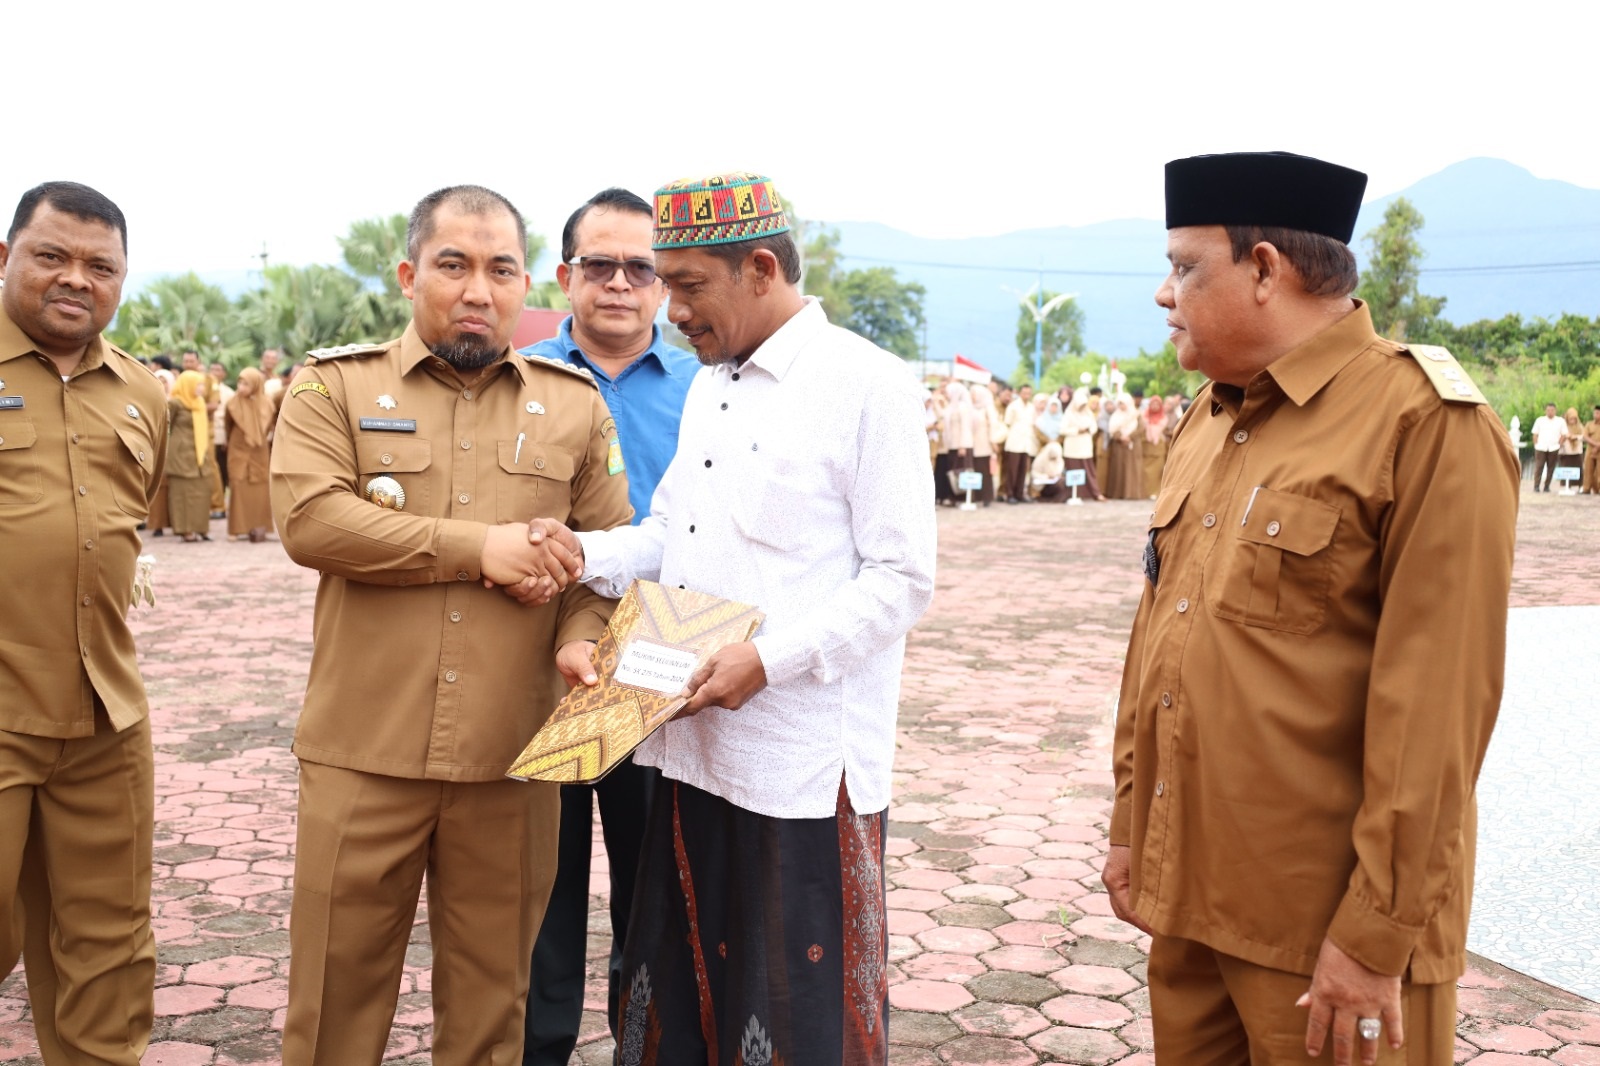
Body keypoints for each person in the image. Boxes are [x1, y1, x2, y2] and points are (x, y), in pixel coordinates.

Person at [1102, 151, 1520, 1066]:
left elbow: (1436, 718)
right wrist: (1133, 826)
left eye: (1184, 267)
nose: (1165, 295)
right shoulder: (1208, 419)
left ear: (1264, 270)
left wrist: (1374, 940)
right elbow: (1157, 643)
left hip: (1326, 935)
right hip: (1194, 898)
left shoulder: (1424, 425)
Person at [525, 171, 936, 1063]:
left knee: (794, 1006)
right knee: (682, 1001)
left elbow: (903, 579)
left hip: (798, 765)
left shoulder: (870, 386)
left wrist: (770, 661)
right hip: (691, 746)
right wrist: (580, 552)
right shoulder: (715, 384)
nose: (669, 311)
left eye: (686, 287)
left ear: (759, 268)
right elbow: (675, 529)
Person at [269, 184, 634, 1066]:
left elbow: (609, 558)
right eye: (454, 265)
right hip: (364, 750)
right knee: (332, 1006)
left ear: (527, 282)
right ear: (408, 274)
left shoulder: (575, 404)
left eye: (500, 269)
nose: (479, 289)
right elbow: (312, 521)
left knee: (490, 1015)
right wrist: (481, 549)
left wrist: (581, 636)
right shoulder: (333, 386)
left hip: (514, 760)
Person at [516, 187, 695, 1066]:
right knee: (538, 894)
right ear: (565, 276)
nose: (619, 283)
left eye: (640, 268)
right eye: (600, 265)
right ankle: (539, 1051)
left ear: (662, 285)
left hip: (660, 664)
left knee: (652, 893)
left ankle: (642, 1047)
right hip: (539, 664)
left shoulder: (711, 390)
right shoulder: (514, 382)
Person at [0, 181, 166, 1064]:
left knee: (108, 950)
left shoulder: (141, 392)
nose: (76, 280)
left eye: (100, 266)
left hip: (105, 715)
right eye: (52, 256)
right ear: (6, 258)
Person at [223, 367, 275, 541]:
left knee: (259, 488)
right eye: (239, 382)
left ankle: (259, 527)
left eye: (246, 383)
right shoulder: (232, 403)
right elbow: (228, 426)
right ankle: (236, 529)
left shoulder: (267, 404)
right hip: (238, 449)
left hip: (259, 451)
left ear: (255, 385)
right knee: (237, 486)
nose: (241, 387)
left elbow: (268, 428)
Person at [166, 369, 217, 541]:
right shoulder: (175, 403)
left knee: (202, 490)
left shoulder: (199, 402)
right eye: (199, 385)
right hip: (181, 454)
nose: (202, 388)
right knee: (182, 493)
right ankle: (185, 530)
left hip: (199, 453)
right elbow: (165, 427)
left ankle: (201, 528)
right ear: (188, 385)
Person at [1059, 388, 1104, 500]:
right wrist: (1077, 430)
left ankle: (1093, 493)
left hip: (1085, 447)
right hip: (1072, 447)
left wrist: (1088, 429)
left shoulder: (1088, 414)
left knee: (1088, 471)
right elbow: (1062, 430)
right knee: (1073, 471)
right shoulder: (1069, 414)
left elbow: (1094, 427)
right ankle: (1074, 494)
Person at [1103, 395, 1142, 499]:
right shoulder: (1116, 416)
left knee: (1131, 469)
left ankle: (1131, 493)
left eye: (1123, 403)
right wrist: (1120, 437)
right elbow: (1112, 430)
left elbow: (1141, 428)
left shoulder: (1136, 415)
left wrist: (1130, 437)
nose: (1121, 406)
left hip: (1132, 446)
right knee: (1119, 469)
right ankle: (1118, 493)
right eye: (1119, 404)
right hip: (1119, 445)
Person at [1001, 383, 1035, 502]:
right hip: (1014, 442)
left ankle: (1019, 493)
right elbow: (1007, 423)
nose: (1027, 395)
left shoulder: (1031, 407)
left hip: (1026, 443)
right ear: (1020, 393)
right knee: (1012, 470)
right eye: (1024, 393)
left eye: (1029, 393)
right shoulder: (1013, 406)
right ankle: (1010, 494)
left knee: (1022, 470)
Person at [208, 361, 233, 510]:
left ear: (224, 374)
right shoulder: (203, 388)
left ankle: (221, 501)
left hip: (221, 435)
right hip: (206, 435)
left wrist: (227, 438)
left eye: (218, 370)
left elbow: (229, 418)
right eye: (212, 369)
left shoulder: (229, 392)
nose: (214, 372)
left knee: (222, 470)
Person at [1139, 395, 1170, 499]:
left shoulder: (1164, 418)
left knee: (1157, 471)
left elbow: (1160, 429)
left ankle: (1155, 492)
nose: (1155, 406)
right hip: (1146, 447)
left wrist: (1151, 429)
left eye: (1157, 404)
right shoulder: (1144, 417)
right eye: (1153, 404)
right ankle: (1145, 492)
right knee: (1145, 471)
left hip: (1158, 448)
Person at [1530, 402, 1563, 491]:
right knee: (1539, 467)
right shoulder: (1540, 420)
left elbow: (1564, 434)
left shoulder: (1560, 421)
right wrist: (1536, 444)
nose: (1550, 412)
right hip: (1541, 447)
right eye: (1548, 410)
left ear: (1555, 411)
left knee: (1551, 468)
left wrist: (1559, 444)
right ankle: (1536, 486)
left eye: (1552, 410)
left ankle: (1547, 486)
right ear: (1545, 411)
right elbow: (1535, 434)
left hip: (1554, 447)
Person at [1556, 407, 1584, 491]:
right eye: (1570, 418)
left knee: (1579, 469)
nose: (1572, 420)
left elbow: (1584, 436)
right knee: (1566, 469)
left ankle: (1580, 486)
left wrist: (1575, 437)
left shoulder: (1580, 426)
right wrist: (1566, 436)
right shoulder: (1563, 426)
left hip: (1577, 451)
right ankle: (1568, 486)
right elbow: (1559, 437)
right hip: (1566, 452)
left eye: (1574, 419)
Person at [1583, 404, 1600, 494]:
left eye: (1598, 413)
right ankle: (1586, 488)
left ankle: (1598, 489)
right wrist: (1595, 445)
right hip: (1590, 450)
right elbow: (1585, 436)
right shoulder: (1589, 424)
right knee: (1588, 470)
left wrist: (1598, 446)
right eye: (1595, 413)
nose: (1596, 415)